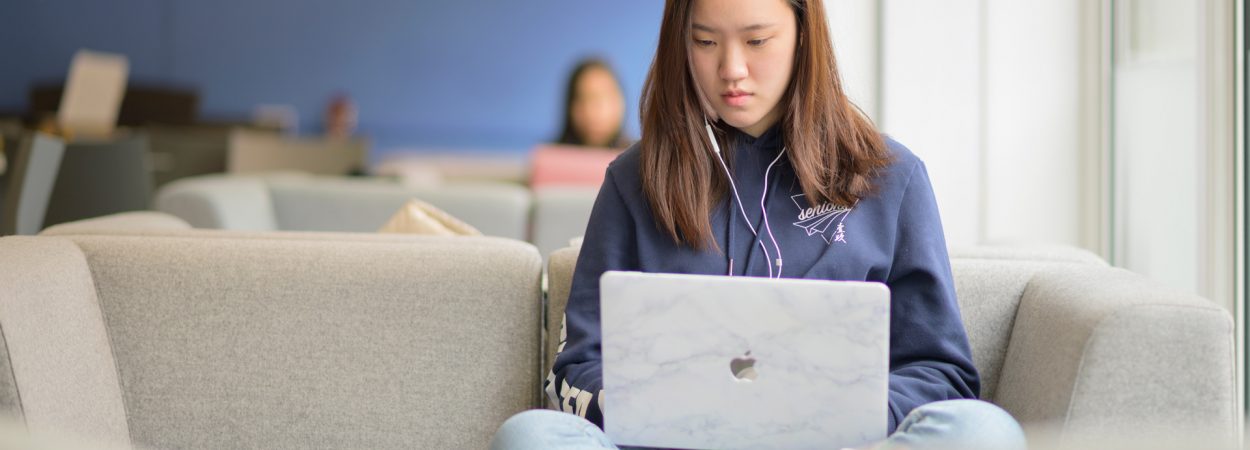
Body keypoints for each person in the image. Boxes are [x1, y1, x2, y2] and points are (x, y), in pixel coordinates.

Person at [493, 0, 1026, 449]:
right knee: (531, 436)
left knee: (982, 430)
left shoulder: (890, 176)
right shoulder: (634, 180)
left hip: (839, 445)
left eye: (756, 41)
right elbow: (575, 368)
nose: (731, 69)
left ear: (802, 36)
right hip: (671, 443)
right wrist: (661, 407)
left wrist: (847, 413)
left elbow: (943, 374)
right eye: (705, 42)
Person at [555, 58, 631, 149]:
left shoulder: (642, 159)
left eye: (601, 98)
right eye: (583, 99)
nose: (591, 112)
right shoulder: (547, 159)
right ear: (570, 107)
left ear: (620, 103)